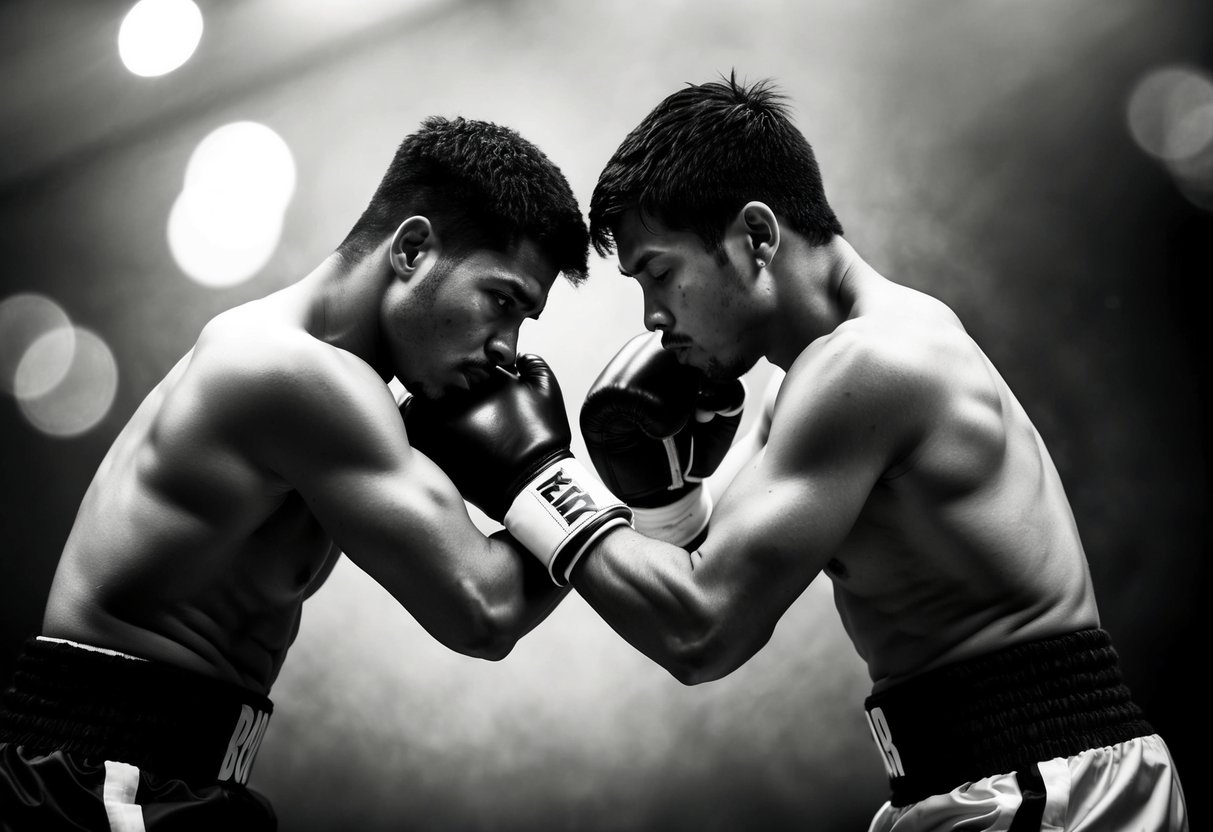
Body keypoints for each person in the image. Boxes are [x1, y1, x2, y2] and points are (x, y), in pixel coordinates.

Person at [403, 76, 1189, 830]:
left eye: (659, 273)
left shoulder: (871, 365)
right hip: (996, 783)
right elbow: (696, 575)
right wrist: (662, 496)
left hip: (1040, 786)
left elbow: (702, 630)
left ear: (755, 237)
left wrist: (535, 476)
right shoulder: (812, 380)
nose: (650, 318)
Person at [0, 116, 631, 831]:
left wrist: (567, 492)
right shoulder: (293, 374)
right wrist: (593, 481)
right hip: (102, 781)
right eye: (502, 300)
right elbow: (483, 613)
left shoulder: (336, 388)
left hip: (170, 777)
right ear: (413, 249)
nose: (508, 350)